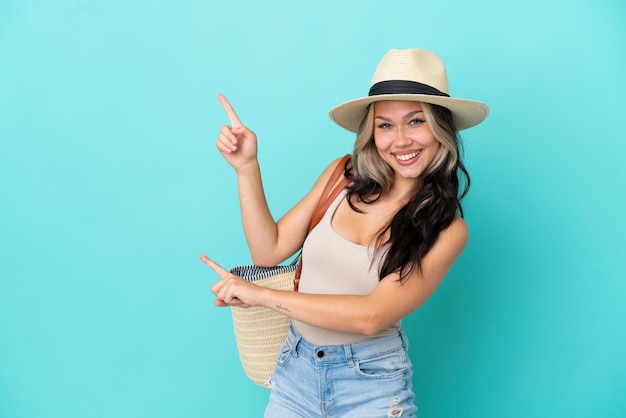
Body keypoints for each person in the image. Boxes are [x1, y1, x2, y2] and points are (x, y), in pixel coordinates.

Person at [200, 48, 489, 417]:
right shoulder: (342, 176)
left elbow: (371, 316)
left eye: (415, 121)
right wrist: (246, 167)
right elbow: (268, 252)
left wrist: (260, 296)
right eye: (385, 125)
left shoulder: (447, 229)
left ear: (442, 128)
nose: (400, 140)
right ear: (372, 132)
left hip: (370, 383)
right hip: (295, 371)